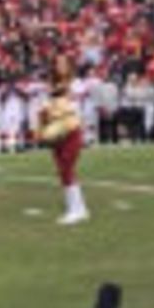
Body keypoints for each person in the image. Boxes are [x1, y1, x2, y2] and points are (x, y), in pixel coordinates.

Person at [37, 56, 90, 225]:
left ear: (69, 66)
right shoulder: (51, 85)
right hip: (56, 131)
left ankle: (76, 210)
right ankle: (78, 208)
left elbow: (73, 99)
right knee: (62, 170)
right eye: (57, 63)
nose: (59, 66)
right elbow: (45, 109)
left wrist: (57, 95)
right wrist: (43, 126)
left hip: (71, 129)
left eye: (63, 63)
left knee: (67, 167)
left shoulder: (76, 83)